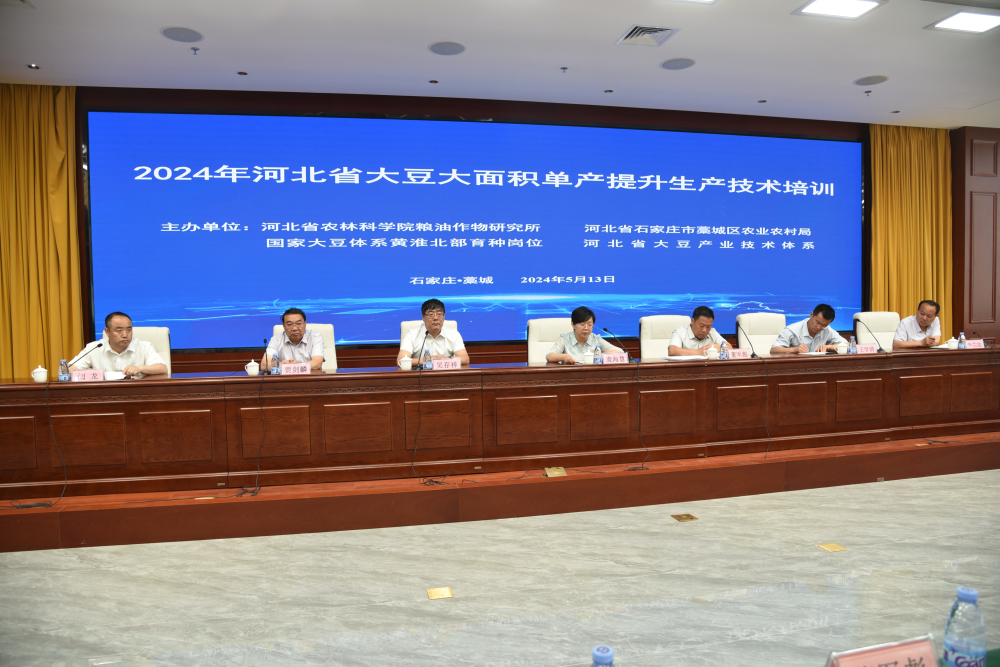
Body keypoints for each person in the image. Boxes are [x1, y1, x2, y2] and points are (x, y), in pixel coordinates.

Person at [69, 312, 167, 377]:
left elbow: (162, 368)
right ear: (107, 332)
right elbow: (68, 369)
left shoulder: (144, 346)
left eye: (129, 330)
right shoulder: (94, 347)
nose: (125, 335)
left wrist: (139, 368)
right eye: (119, 330)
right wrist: (89, 373)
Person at [397, 299, 470, 366]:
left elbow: (465, 359)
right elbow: (400, 360)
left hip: (445, 373)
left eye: (439, 314)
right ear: (423, 317)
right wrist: (428, 360)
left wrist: (445, 359)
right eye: (431, 314)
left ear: (444, 316)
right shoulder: (412, 334)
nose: (435, 318)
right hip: (421, 374)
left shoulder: (453, 333)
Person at [546, 306, 624, 364]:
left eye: (590, 325)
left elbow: (619, 351)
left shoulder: (596, 339)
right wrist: (564, 357)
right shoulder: (565, 339)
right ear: (573, 325)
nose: (586, 328)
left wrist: (600, 356)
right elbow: (549, 356)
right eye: (582, 324)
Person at [770, 304, 847, 354]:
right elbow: (773, 350)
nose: (819, 327)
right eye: (817, 322)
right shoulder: (792, 330)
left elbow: (846, 345)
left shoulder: (827, 330)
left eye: (824, 325)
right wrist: (794, 349)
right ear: (811, 315)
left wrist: (828, 347)